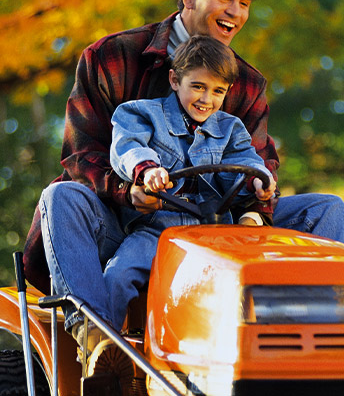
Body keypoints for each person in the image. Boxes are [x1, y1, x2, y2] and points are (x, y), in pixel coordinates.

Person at [25, 0, 344, 353]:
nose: (236, 12)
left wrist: (256, 205)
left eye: (244, 2)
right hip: (131, 223)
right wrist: (133, 191)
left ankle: (309, 337)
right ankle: (99, 341)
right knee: (60, 197)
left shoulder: (245, 83)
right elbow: (81, 156)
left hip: (218, 223)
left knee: (325, 208)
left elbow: (256, 160)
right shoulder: (112, 57)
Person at [105, 35, 277, 336]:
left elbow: (246, 160)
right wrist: (147, 170)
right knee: (118, 274)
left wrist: (256, 180)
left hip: (216, 232)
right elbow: (128, 147)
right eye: (198, 86)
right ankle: (105, 347)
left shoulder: (230, 128)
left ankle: (261, 349)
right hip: (158, 228)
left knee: (255, 280)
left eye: (217, 91)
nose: (206, 99)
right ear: (174, 79)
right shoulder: (141, 113)